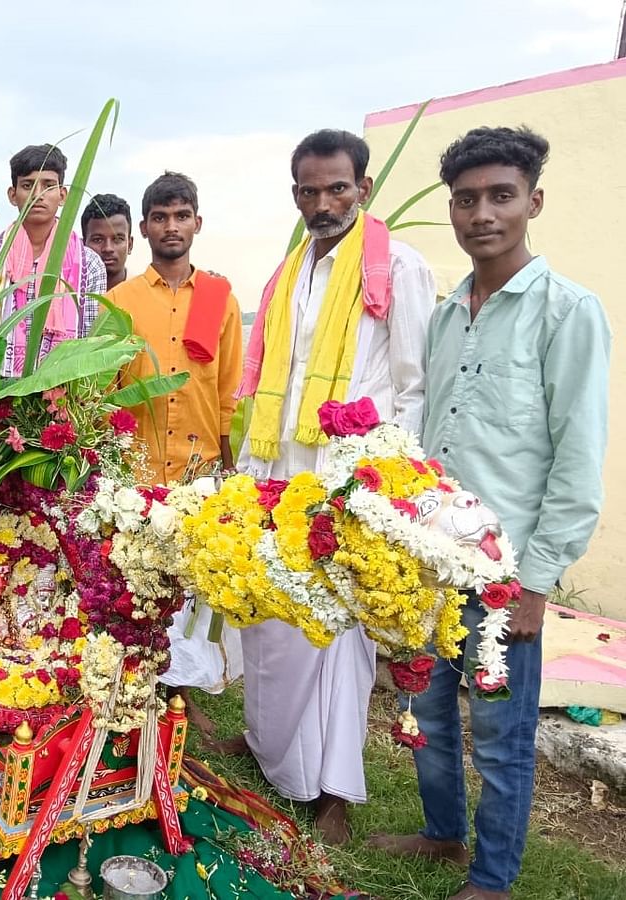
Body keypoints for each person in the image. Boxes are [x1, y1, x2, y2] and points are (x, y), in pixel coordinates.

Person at [370, 127, 610, 900]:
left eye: (501, 196)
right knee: (428, 715)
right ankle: (442, 835)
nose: (483, 214)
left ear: (533, 201)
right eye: (467, 199)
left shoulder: (567, 313)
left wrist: (538, 581)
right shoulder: (447, 317)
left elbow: (577, 461)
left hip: (505, 579)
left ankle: (495, 876)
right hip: (431, 560)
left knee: (502, 740)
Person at [234, 130, 435, 844]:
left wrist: (386, 486)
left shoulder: (398, 268)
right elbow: (269, 382)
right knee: (271, 618)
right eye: (309, 191)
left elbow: (413, 385)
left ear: (364, 189)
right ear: (296, 196)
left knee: (338, 633)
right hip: (279, 472)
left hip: (349, 479)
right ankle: (269, 748)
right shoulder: (288, 273)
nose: (323, 203)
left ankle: (333, 791)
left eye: (337, 189)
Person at [106, 171, 243, 749]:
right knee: (133, 587)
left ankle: (181, 694)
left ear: (197, 223)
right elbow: (104, 389)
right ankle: (132, 692)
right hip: (135, 473)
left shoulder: (219, 297)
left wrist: (228, 469)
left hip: (198, 470)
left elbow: (229, 391)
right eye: (159, 217)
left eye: (180, 215)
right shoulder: (119, 302)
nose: (170, 226)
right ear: (144, 228)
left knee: (189, 592)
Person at [0, 144, 106, 376]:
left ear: (62, 195)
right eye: (28, 185)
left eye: (48, 186)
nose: (38, 195)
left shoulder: (88, 264)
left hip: (62, 393)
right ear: (12, 195)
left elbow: (90, 338)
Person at [82, 193, 133, 290]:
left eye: (117, 239)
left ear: (130, 245)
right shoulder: (69, 296)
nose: (108, 248)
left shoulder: (146, 295)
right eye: (98, 240)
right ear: (83, 245)